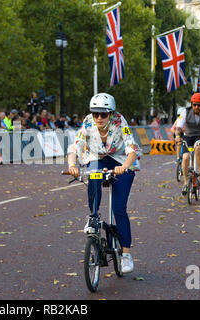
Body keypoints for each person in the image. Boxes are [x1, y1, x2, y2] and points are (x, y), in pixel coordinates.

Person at [67, 93, 141, 274]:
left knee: (119, 209)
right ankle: (93, 217)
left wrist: (124, 166)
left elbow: (132, 148)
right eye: (95, 114)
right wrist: (71, 165)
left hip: (120, 160)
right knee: (92, 177)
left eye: (103, 114)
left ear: (111, 113)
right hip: (97, 159)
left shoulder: (119, 122)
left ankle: (125, 254)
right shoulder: (87, 122)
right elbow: (76, 145)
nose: (99, 118)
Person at [175, 93, 200, 195]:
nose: (197, 107)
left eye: (199, 105)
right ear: (192, 104)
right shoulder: (185, 112)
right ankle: (186, 182)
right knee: (186, 157)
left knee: (198, 148)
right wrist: (178, 136)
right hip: (188, 136)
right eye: (195, 105)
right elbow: (179, 127)